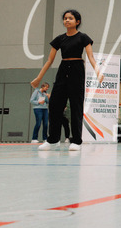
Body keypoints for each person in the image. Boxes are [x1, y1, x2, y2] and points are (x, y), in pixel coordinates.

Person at [31, 9, 103, 151]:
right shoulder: (59, 39)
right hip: (63, 70)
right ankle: (53, 140)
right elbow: (50, 60)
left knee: (76, 106)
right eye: (65, 18)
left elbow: (91, 57)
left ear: (77, 21)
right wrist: (39, 77)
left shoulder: (83, 37)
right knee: (55, 105)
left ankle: (76, 141)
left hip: (77, 70)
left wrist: (98, 72)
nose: (67, 20)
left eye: (70, 18)